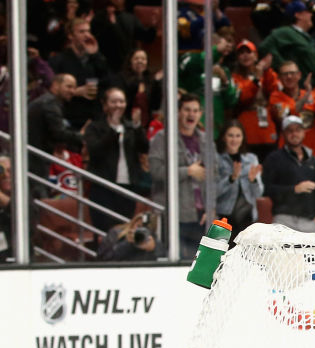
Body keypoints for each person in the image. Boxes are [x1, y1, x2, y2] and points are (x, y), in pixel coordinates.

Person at [83, 87, 149, 233]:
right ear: (105, 104)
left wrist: (138, 127)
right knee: (105, 229)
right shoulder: (95, 127)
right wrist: (112, 131)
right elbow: (95, 151)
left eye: (121, 101)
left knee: (125, 229)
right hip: (103, 186)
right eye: (114, 101)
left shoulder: (130, 127)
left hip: (128, 186)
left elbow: (144, 147)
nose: (118, 105)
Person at [150, 94, 208, 259]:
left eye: (195, 110)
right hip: (174, 214)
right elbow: (156, 171)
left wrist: (210, 207)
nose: (191, 114)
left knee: (198, 268)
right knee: (177, 264)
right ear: (178, 112)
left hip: (201, 215)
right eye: (187, 110)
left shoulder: (205, 140)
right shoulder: (162, 138)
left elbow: (214, 176)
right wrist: (187, 171)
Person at [261, 114, 315, 232]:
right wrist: (294, 189)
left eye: (298, 130)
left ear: (304, 132)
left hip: (309, 220)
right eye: (290, 131)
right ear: (283, 134)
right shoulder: (274, 159)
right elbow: (267, 189)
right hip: (283, 219)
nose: (294, 134)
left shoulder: (312, 160)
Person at [27, 73, 83, 183]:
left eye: (74, 88)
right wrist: (82, 136)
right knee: (38, 192)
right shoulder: (50, 103)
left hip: (36, 156)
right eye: (69, 86)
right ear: (56, 85)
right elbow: (59, 133)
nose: (72, 91)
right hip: (37, 158)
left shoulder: (47, 101)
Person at [215, 121, 264, 244]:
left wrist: (253, 181)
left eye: (238, 136)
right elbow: (213, 192)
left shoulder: (251, 159)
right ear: (223, 137)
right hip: (224, 217)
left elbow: (258, 193)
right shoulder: (217, 159)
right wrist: (231, 178)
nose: (234, 140)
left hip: (247, 217)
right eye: (230, 135)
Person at [231, 40, 280, 160]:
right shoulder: (234, 78)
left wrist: (267, 70)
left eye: (249, 52)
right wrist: (256, 80)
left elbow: (274, 91)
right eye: (241, 53)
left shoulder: (267, 74)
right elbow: (242, 97)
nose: (245, 55)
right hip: (246, 126)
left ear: (256, 55)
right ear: (237, 58)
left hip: (267, 126)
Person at [260, 0, 315, 81]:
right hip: (296, 84)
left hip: (311, 83)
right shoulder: (286, 32)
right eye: (307, 12)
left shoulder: (305, 36)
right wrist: (284, 66)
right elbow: (265, 46)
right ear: (298, 15)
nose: (311, 14)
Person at [96, 211, 161, 261]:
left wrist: (152, 250)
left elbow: (162, 260)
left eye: (145, 229)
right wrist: (127, 243)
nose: (140, 231)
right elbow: (102, 259)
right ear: (134, 222)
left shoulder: (151, 240)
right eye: (138, 226)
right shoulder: (115, 233)